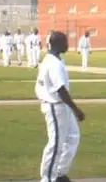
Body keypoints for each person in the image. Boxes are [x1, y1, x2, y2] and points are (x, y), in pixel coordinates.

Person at [36, 31, 84, 182]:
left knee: (72, 137)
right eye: (65, 42)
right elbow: (61, 90)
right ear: (58, 43)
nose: (67, 44)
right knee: (56, 143)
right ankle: (47, 178)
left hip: (61, 106)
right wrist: (76, 110)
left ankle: (59, 172)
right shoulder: (53, 63)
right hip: (55, 106)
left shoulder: (55, 59)